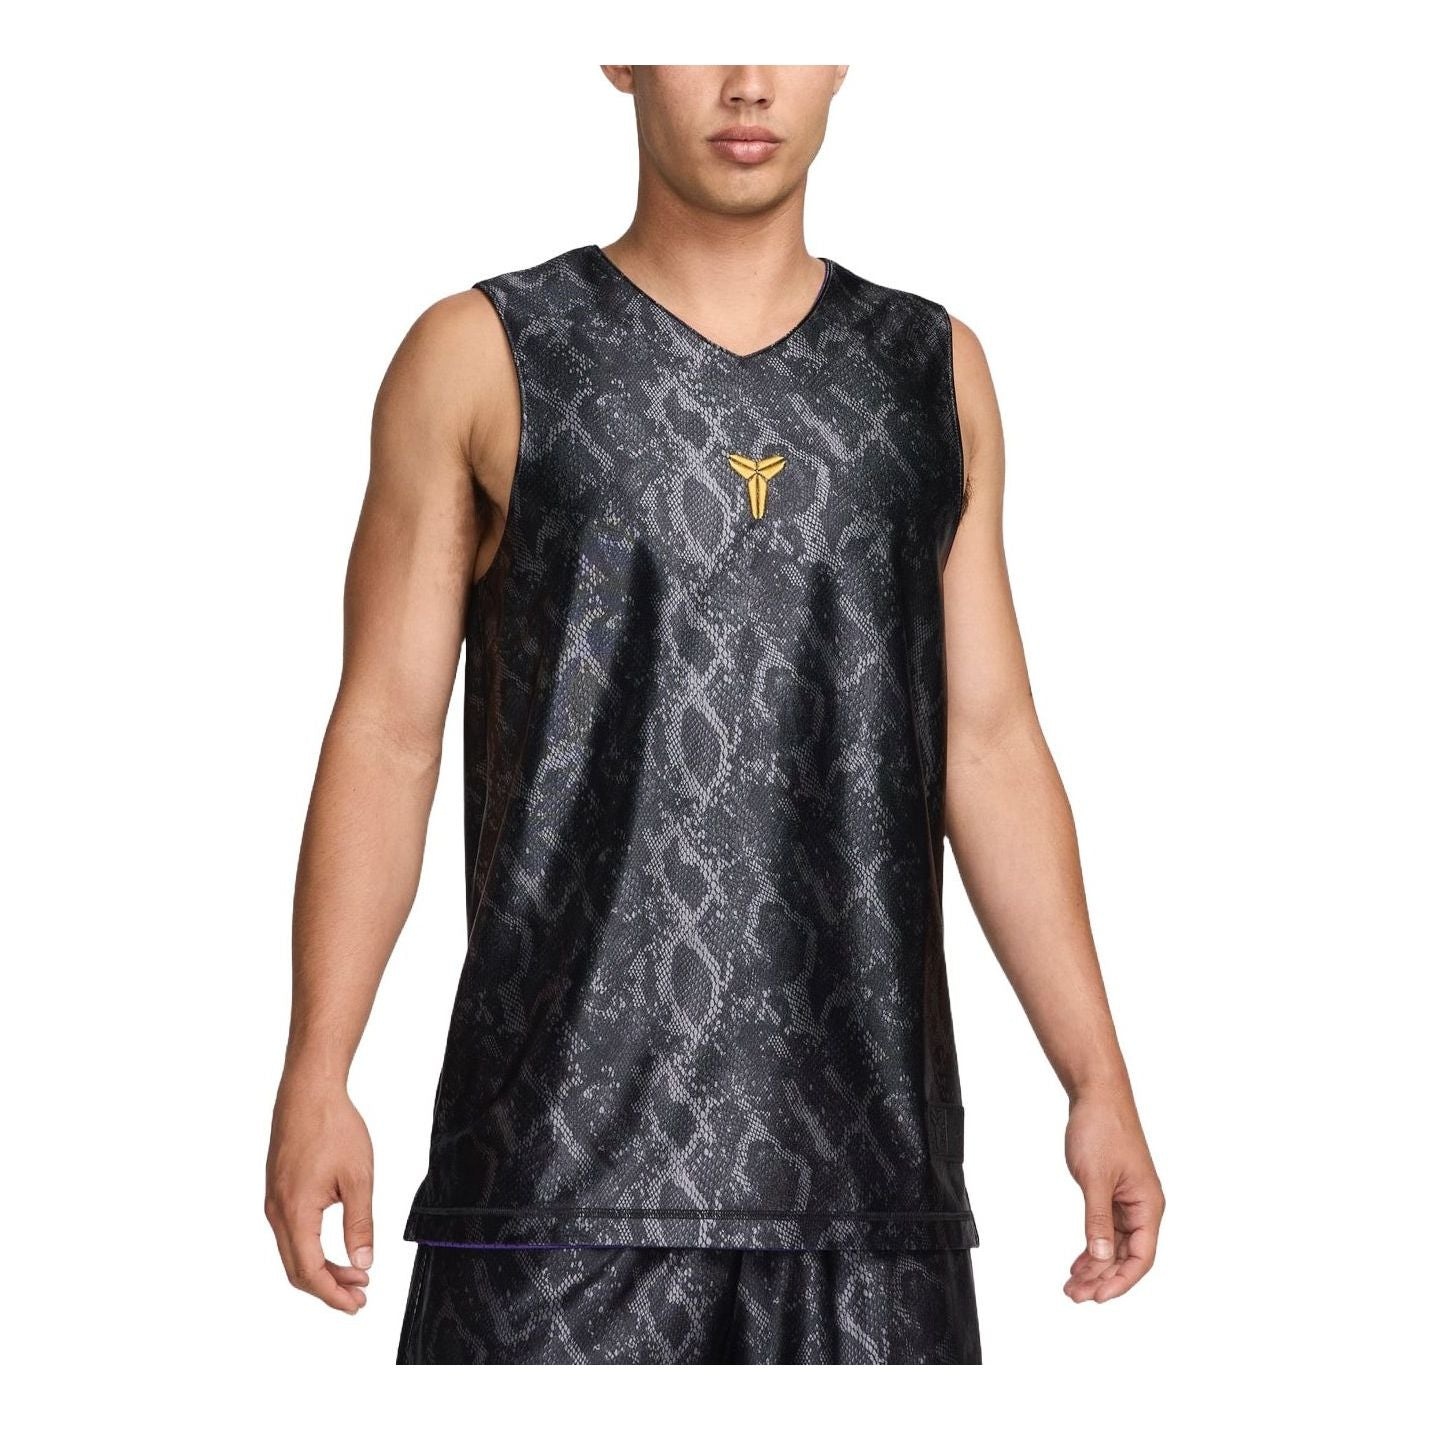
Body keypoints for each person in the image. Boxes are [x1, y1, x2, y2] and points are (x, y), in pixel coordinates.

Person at [264, 63, 1165, 1365]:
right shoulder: (481, 354)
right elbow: (388, 733)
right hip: (548, 1180)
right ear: (620, 52)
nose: (748, 82)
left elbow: (988, 740)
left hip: (872, 1190)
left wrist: (1096, 1077)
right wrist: (318, 1067)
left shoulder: (931, 370)